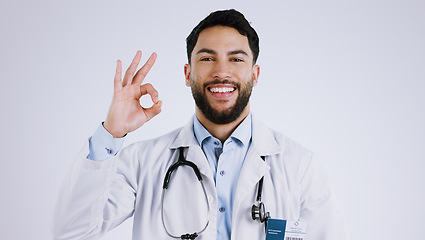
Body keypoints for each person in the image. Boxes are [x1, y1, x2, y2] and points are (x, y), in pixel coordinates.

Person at [52, 9, 348, 240]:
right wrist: (112, 133)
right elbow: (72, 233)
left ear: (255, 75)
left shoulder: (300, 167)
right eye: (207, 58)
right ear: (187, 73)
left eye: (236, 59)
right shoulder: (141, 162)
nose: (222, 72)